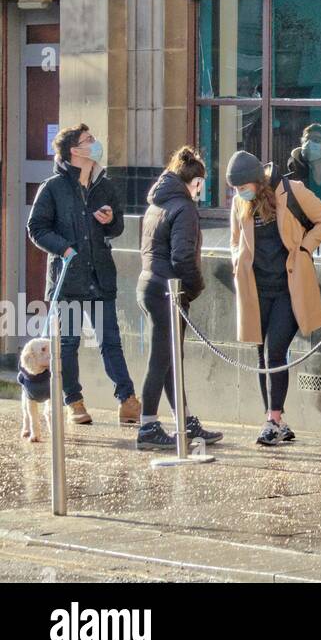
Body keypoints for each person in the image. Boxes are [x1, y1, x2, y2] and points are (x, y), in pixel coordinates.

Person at [26, 123, 140, 427]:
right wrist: (63, 249)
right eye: (89, 140)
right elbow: (36, 227)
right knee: (69, 343)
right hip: (69, 280)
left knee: (110, 341)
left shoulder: (105, 184)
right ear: (75, 151)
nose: (96, 143)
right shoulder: (52, 187)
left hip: (100, 276)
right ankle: (74, 401)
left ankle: (127, 400)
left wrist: (111, 220)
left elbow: (116, 229)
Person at [228, 151, 321, 447]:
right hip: (256, 288)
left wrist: (304, 248)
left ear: (256, 180)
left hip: (290, 287)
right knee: (261, 353)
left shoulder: (292, 191)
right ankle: (274, 419)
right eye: (235, 189)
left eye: (243, 186)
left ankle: (273, 420)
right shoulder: (240, 202)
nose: (240, 193)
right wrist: (238, 259)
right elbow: (235, 238)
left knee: (275, 351)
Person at [135, 147, 223, 450]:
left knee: (169, 358)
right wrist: (195, 287)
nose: (202, 188)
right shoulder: (183, 207)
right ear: (196, 181)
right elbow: (183, 256)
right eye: (202, 183)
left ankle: (184, 420)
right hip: (167, 289)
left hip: (150, 283)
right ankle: (147, 425)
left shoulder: (158, 202)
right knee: (161, 359)